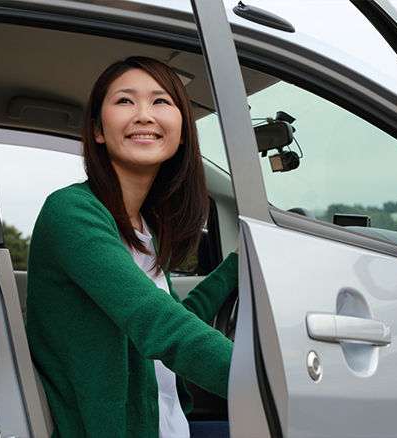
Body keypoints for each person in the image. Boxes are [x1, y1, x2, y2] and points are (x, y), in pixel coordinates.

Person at [25, 57, 238, 438]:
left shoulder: (143, 230)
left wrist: (236, 266)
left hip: (171, 425)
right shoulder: (72, 213)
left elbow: (175, 313)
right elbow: (157, 323)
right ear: (98, 131)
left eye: (161, 102)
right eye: (125, 101)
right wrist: (268, 381)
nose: (144, 114)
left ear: (183, 132)